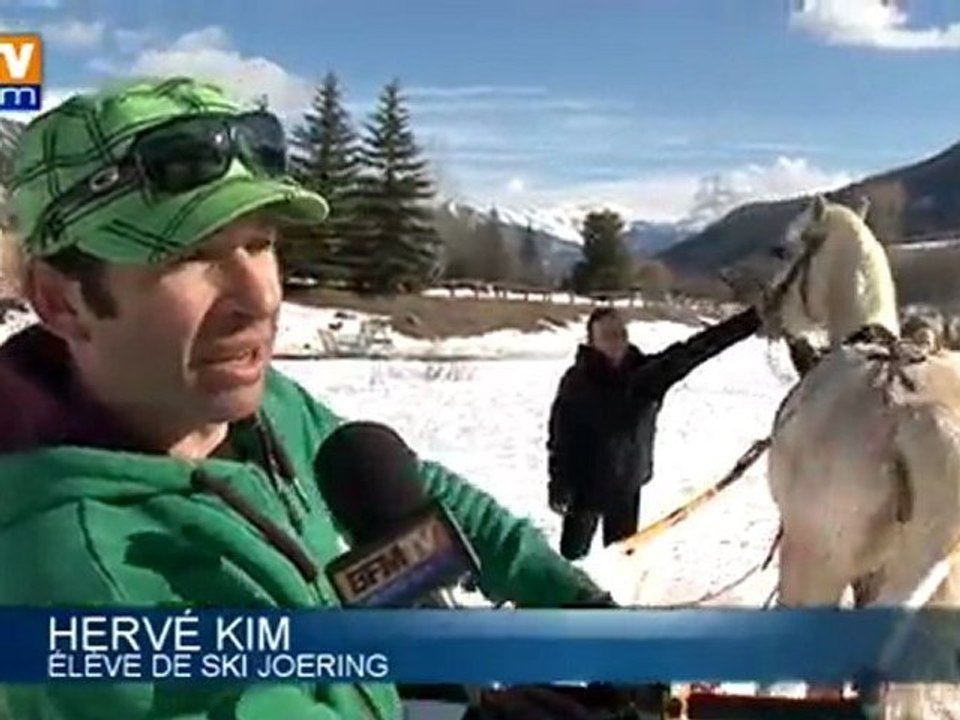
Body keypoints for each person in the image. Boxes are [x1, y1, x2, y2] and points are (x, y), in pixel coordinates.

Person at [0, 77, 629, 720]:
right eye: (191, 255)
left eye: (260, 243)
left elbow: (404, 491)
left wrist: (572, 601)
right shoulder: (82, 587)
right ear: (59, 299)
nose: (262, 297)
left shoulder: (260, 407)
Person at [547, 304, 760, 560]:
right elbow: (561, 437)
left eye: (620, 333)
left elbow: (697, 348)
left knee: (620, 565)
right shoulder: (576, 382)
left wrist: (753, 319)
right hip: (584, 490)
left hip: (626, 488)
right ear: (592, 342)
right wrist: (559, 485)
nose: (616, 342)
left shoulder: (648, 376)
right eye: (607, 336)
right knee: (571, 560)